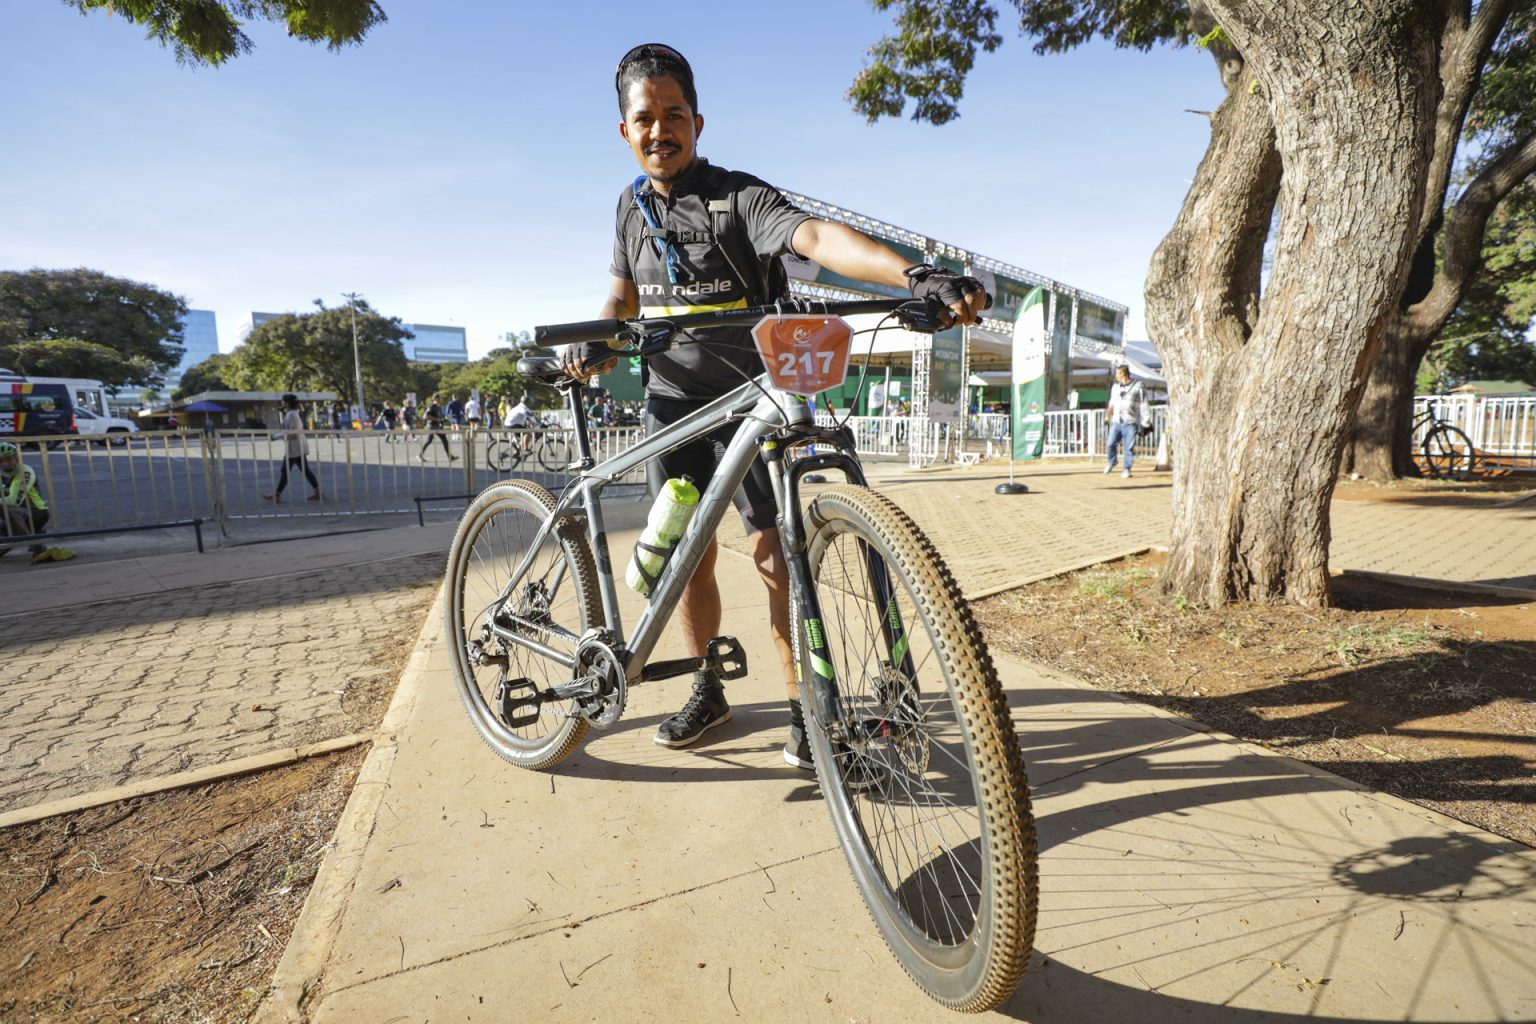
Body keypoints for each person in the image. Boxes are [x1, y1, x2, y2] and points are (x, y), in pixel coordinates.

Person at [562, 43, 987, 767]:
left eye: (674, 116)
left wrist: (914, 273)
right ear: (625, 131)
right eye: (644, 119)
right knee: (687, 560)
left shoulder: (738, 197)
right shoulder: (627, 207)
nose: (660, 131)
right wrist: (601, 335)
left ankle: (805, 707)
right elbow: (621, 294)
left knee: (774, 557)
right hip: (671, 409)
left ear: (697, 122)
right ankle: (708, 687)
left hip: (749, 401)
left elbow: (815, 237)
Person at [0, 442, 74, 564]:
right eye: (0, 461)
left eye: (9, 459)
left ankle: (36, 546)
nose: (5, 464)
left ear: (16, 457)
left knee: (8, 508)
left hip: (35, 512)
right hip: (14, 518)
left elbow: (14, 500)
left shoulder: (25, 471)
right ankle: (34, 536)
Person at [262, 393, 322, 502]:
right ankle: (317, 492)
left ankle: (277, 494)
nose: (282, 403)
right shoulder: (292, 414)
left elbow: (294, 433)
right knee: (304, 470)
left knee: (285, 471)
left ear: (288, 403)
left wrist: (276, 437)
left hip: (295, 448)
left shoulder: (291, 415)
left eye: (283, 401)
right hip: (296, 447)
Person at [1104, 364, 1151, 478]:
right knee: (1110, 443)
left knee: (1128, 447)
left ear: (1123, 374)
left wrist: (1146, 422)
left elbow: (1144, 404)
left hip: (1131, 421)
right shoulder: (1115, 387)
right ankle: (1112, 461)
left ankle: (1127, 469)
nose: (1116, 376)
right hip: (1116, 421)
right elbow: (1112, 403)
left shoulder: (1139, 386)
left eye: (1117, 374)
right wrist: (1107, 415)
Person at [419, 393, 457, 461]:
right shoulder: (432, 407)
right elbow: (425, 417)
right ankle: (420, 455)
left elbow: (439, 416)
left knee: (442, 440)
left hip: (438, 426)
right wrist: (437, 419)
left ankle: (450, 456)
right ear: (436, 399)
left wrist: (443, 418)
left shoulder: (438, 407)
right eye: (441, 398)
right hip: (432, 427)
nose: (442, 399)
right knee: (430, 441)